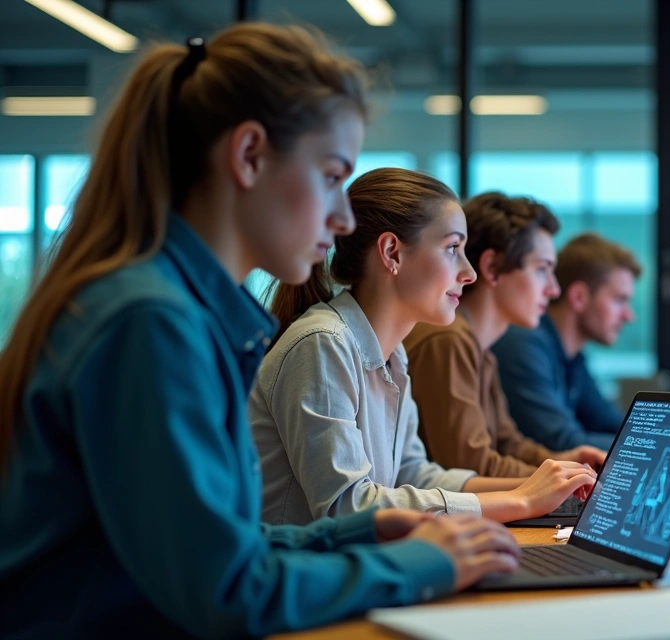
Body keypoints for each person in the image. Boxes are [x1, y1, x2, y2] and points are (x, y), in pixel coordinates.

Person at [0, 25, 518, 638]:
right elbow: (226, 590)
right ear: (248, 157)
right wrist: (419, 565)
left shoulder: (174, 310)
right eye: (331, 176)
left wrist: (364, 529)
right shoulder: (152, 323)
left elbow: (224, 542)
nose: (343, 216)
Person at [250, 168, 596, 526]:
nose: (469, 273)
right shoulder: (322, 344)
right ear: (391, 253)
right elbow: (347, 504)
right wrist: (520, 500)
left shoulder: (393, 355)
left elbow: (414, 474)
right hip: (306, 575)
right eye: (452, 249)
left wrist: (546, 486)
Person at [493, 232, 670, 454]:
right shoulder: (524, 345)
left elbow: (618, 425)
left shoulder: (571, 357)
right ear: (579, 297)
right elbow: (564, 443)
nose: (629, 315)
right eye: (619, 300)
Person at [405, 193, 607, 477]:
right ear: (492, 268)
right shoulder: (448, 340)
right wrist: (557, 479)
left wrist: (562, 461)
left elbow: (507, 443)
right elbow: (471, 466)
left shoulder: (480, 346)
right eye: (541, 270)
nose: (553, 289)